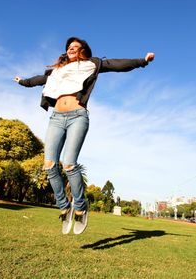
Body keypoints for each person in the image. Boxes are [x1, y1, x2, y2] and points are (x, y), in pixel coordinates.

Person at [14, 37, 155, 235]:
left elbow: (116, 65)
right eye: (69, 47)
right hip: (56, 118)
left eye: (75, 47)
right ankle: (64, 207)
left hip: (77, 116)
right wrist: (23, 82)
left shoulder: (91, 64)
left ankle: (80, 207)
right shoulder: (58, 71)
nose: (71, 49)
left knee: (69, 164)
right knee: (49, 165)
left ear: (83, 50)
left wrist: (142, 61)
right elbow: (38, 80)